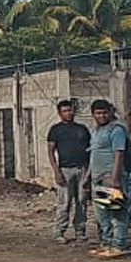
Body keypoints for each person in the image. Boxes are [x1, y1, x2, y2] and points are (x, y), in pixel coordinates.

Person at [88, 99, 131, 258]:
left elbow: (118, 154)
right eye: (98, 113)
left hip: (111, 178)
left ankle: (119, 245)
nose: (102, 116)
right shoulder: (96, 131)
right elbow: (93, 155)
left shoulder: (116, 130)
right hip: (98, 179)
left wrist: (115, 180)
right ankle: (106, 243)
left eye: (105, 112)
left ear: (110, 112)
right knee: (102, 214)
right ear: (93, 114)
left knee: (117, 213)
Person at [46, 99, 92, 244]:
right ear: (60, 114)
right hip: (65, 170)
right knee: (64, 202)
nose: (68, 113)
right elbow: (51, 152)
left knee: (82, 201)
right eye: (65, 111)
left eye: (70, 110)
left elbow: (90, 150)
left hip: (82, 169)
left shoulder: (82, 129)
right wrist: (56, 172)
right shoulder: (55, 130)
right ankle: (59, 231)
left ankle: (80, 231)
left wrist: (89, 173)